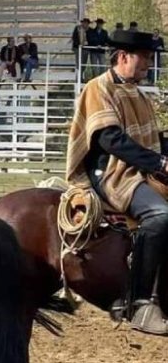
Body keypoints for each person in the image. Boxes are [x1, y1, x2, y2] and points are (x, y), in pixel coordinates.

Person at [65, 30, 168, 335]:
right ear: (123, 57)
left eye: (150, 58)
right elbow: (110, 140)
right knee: (160, 216)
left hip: (142, 171)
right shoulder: (98, 88)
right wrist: (160, 164)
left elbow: (155, 142)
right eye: (145, 58)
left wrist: (161, 158)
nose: (149, 64)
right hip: (111, 173)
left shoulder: (139, 94)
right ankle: (138, 304)